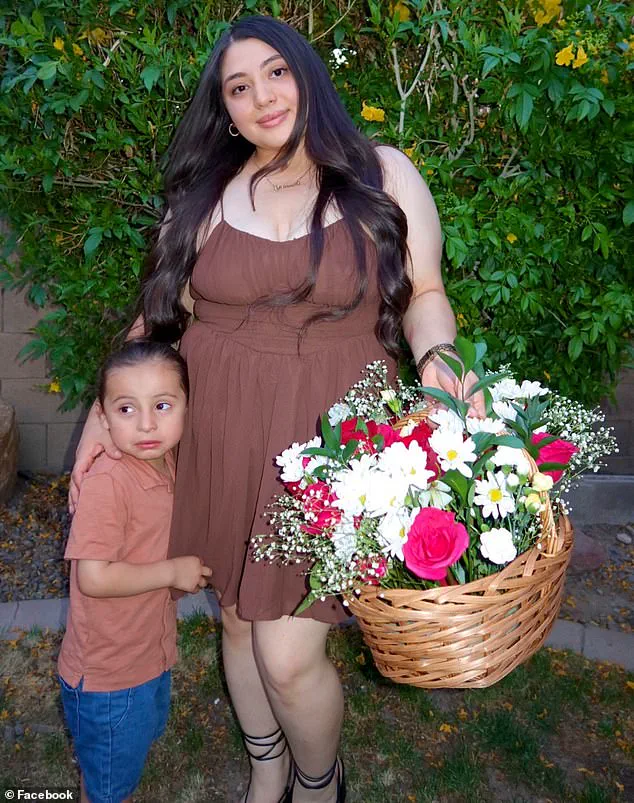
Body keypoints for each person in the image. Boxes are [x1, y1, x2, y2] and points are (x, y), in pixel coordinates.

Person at [70, 15, 482, 803]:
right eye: (239, 87)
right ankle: (268, 766)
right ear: (225, 110)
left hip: (335, 442)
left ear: (307, 74)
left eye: (276, 72)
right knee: (236, 618)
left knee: (288, 655)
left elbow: (426, 292)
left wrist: (439, 359)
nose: (262, 96)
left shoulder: (382, 173)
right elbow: (156, 322)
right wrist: (99, 429)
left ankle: (321, 783)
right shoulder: (204, 199)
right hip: (225, 433)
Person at [59, 339, 212, 803]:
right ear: (103, 418)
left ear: (187, 407)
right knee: (109, 789)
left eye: (162, 406)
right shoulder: (109, 482)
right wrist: (172, 572)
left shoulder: (166, 461)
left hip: (147, 657)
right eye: (126, 409)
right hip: (110, 678)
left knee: (121, 763)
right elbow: (94, 577)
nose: (146, 424)